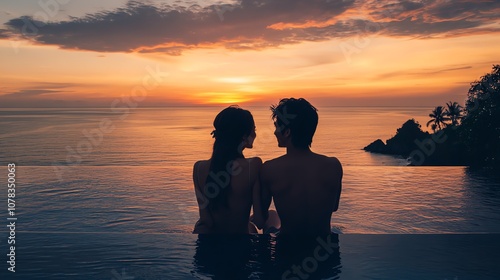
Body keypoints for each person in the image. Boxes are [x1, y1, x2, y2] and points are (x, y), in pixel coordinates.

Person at [259, 98, 343, 236]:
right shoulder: (333, 165)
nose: (275, 132)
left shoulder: (269, 169)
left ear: (287, 132)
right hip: (324, 249)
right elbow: (334, 207)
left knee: (271, 216)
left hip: (287, 248)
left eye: (276, 127)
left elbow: (261, 219)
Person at [192, 106, 265, 234]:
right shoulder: (253, 165)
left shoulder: (198, 168)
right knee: (272, 216)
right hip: (242, 246)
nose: (255, 134)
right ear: (244, 136)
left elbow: (206, 221)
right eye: (254, 129)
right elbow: (260, 220)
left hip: (214, 246)